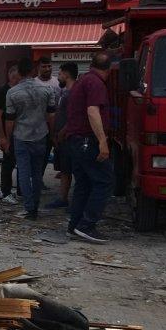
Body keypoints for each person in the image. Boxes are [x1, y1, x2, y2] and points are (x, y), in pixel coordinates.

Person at [63, 52, 114, 243]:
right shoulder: (96, 84)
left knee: (83, 184)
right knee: (105, 180)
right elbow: (93, 111)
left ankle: (75, 226)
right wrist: (102, 140)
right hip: (87, 140)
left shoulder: (83, 81)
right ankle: (87, 225)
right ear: (108, 69)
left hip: (76, 140)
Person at [4, 58, 55, 219]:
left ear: (18, 73)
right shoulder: (47, 90)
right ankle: (36, 204)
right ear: (34, 72)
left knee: (23, 172)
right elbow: (51, 115)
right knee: (38, 172)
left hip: (21, 135)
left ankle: (29, 207)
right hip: (41, 134)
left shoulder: (12, 92)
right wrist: (52, 135)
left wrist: (7, 138)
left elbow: (10, 120)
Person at [45, 62, 78, 210]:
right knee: (64, 169)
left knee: (71, 168)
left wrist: (63, 132)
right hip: (62, 137)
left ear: (66, 74)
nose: (58, 77)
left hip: (68, 137)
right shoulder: (65, 92)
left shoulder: (73, 93)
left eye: (59, 74)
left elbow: (73, 116)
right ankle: (63, 197)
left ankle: (71, 200)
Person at [0, 66, 21, 204]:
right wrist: (2, 136)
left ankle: (21, 191)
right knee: (8, 163)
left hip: (21, 133)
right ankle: (6, 191)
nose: (16, 80)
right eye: (14, 78)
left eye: (18, 78)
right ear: (10, 76)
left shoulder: (20, 90)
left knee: (22, 164)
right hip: (8, 133)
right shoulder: (3, 92)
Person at [35, 56, 62, 179]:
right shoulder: (34, 83)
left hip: (55, 124)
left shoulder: (57, 83)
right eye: (44, 66)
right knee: (39, 154)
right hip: (39, 125)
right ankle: (37, 178)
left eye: (49, 66)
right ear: (38, 68)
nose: (47, 69)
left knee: (49, 153)